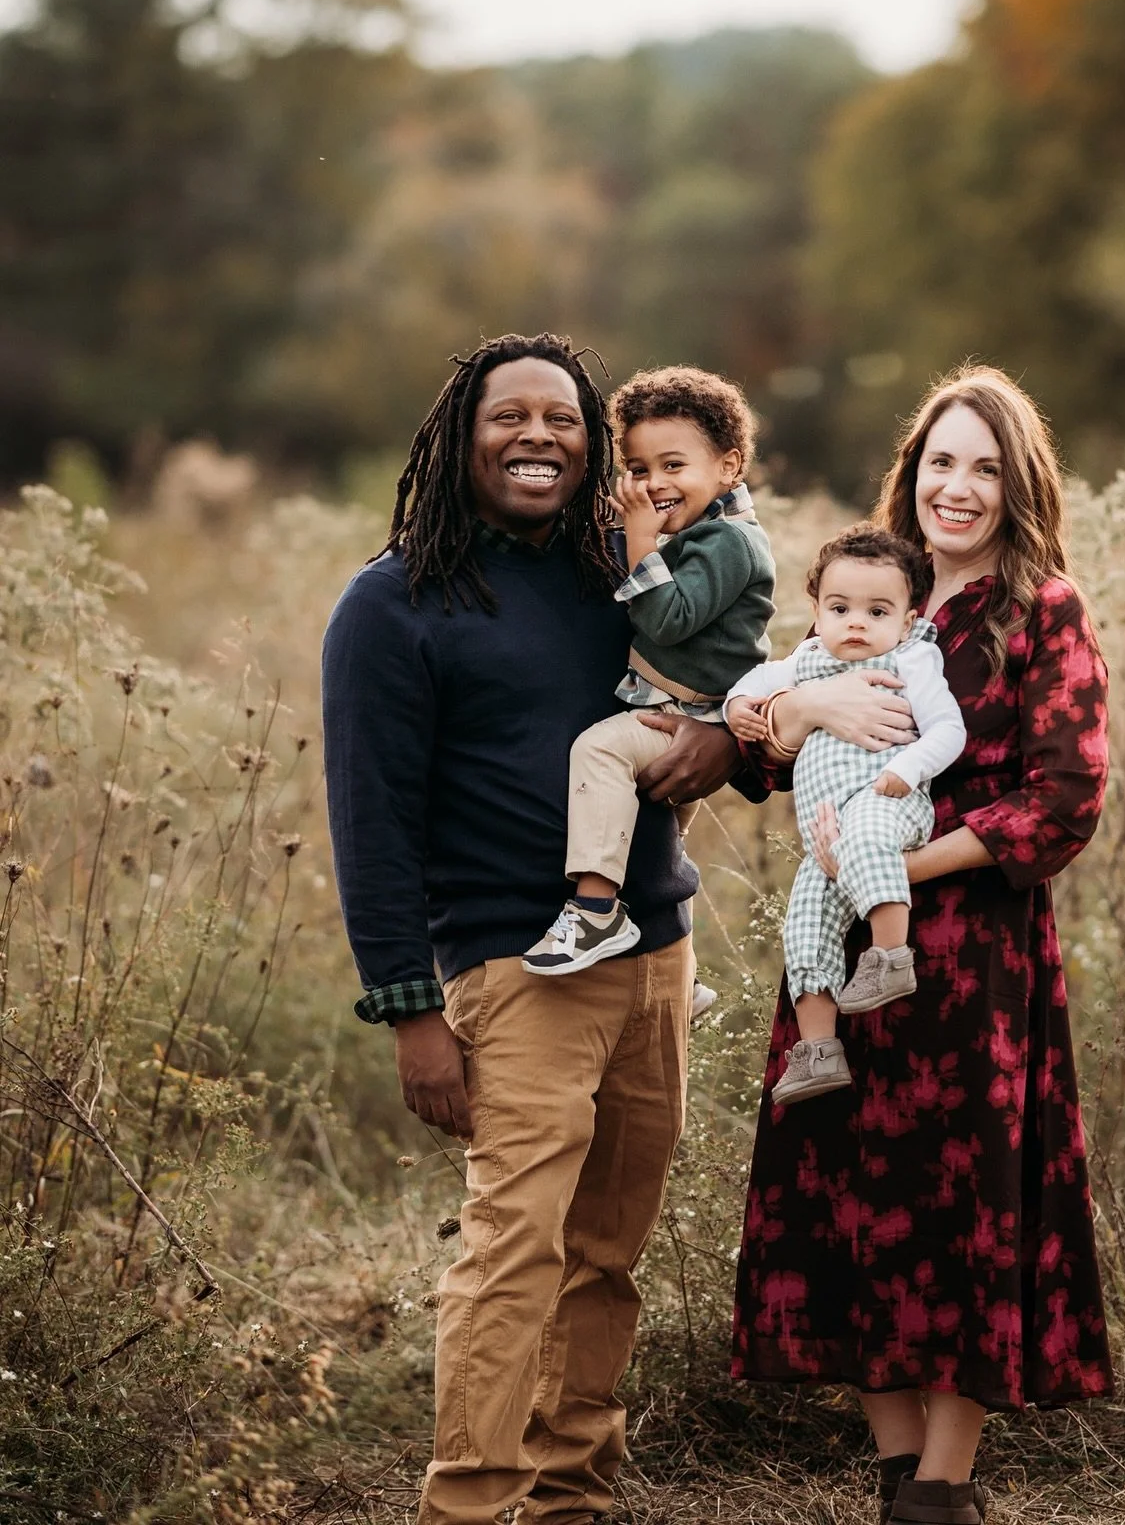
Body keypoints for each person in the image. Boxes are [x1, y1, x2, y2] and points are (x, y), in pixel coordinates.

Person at [321, 333, 743, 1525]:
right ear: (463, 437)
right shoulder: (393, 604)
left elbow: (720, 687)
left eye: (563, 419)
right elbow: (371, 819)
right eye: (510, 417)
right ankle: (469, 1502)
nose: (539, 438)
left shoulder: (622, 573)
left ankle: (572, 1499)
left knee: (607, 1259)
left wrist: (730, 745)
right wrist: (411, 1008)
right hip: (519, 975)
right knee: (515, 1258)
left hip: (656, 959)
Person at [730, 366, 1114, 1525]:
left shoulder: (1041, 609)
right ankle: (898, 1474)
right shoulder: (875, 589)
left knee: (961, 1213)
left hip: (972, 961)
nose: (959, 487)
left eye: (986, 467)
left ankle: (943, 1492)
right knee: (848, 1189)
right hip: (841, 949)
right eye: (942, 461)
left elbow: (1066, 799)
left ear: (1019, 484)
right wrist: (803, 714)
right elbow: (756, 745)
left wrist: (897, 861)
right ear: (912, 470)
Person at [522, 366, 774, 995]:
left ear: (729, 467)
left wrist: (638, 539)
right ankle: (680, 977)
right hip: (687, 706)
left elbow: (667, 617)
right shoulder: (702, 531)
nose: (654, 483)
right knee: (655, 845)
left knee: (599, 749)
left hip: (693, 716)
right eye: (637, 469)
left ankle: (595, 912)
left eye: (673, 465)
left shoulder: (730, 544)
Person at [726, 526, 966, 1104]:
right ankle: (817, 1051)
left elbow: (949, 730)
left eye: (877, 610)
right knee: (804, 921)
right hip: (824, 834)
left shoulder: (913, 658)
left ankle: (890, 956)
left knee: (866, 839)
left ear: (908, 618)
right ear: (817, 610)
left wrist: (906, 772)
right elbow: (751, 683)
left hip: (888, 802)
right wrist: (739, 709)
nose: (856, 623)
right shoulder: (807, 659)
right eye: (840, 608)